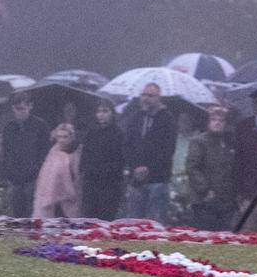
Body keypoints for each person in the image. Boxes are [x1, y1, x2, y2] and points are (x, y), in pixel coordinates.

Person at [122, 83, 177, 223]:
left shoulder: (168, 119)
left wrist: (149, 168)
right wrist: (135, 166)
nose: (146, 98)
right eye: (144, 95)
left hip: (158, 179)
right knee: (133, 224)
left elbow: (168, 149)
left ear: (159, 98)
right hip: (136, 180)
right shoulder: (135, 117)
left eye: (150, 96)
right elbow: (127, 145)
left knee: (155, 224)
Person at [0, 91, 50, 217]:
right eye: (17, 108)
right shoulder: (8, 127)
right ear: (13, 108)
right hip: (14, 176)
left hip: (33, 176)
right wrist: (7, 172)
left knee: (32, 211)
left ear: (30, 106)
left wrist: (38, 171)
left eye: (23, 108)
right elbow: (5, 152)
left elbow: (45, 151)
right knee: (17, 211)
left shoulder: (40, 125)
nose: (20, 111)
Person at [186, 107, 237, 231]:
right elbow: (192, 167)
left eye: (221, 120)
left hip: (226, 201)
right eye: (213, 119)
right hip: (205, 200)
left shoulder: (230, 142)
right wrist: (205, 189)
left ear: (225, 123)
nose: (217, 122)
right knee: (205, 237)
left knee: (225, 238)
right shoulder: (199, 141)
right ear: (208, 122)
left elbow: (233, 169)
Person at [80, 99, 126, 220]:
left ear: (112, 113)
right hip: (91, 183)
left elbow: (120, 159)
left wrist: (105, 171)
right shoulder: (92, 132)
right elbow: (85, 154)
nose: (101, 114)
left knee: (105, 219)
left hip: (109, 185)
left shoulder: (118, 134)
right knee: (89, 218)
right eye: (99, 111)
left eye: (105, 111)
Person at [233, 88, 257, 231]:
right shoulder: (243, 126)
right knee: (250, 230)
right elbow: (238, 160)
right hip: (250, 189)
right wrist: (239, 191)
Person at [33, 123, 81, 218]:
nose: (61, 140)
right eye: (59, 137)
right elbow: (46, 176)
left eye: (65, 137)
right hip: (52, 199)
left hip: (71, 198)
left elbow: (78, 175)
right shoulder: (53, 152)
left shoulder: (78, 152)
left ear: (71, 137)